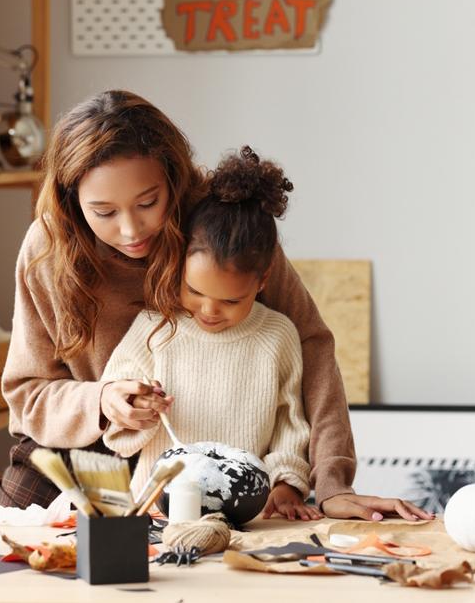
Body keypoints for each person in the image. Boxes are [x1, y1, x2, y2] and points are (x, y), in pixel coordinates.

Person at [0, 90, 430, 521]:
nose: (130, 230)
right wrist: (102, 401)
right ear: (72, 200)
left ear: (173, 178)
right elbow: (27, 395)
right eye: (103, 212)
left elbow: (311, 346)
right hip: (81, 452)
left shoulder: (221, 228)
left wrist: (333, 483)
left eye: (148, 203)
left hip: (206, 463)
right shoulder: (48, 249)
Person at [103, 146, 318, 520]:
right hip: (153, 515)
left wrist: (285, 484)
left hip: (246, 520)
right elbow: (116, 406)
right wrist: (136, 408)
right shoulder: (155, 329)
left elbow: (291, 424)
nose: (209, 310)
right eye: (195, 291)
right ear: (179, 263)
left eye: (231, 301)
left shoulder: (277, 336)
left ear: (263, 279)